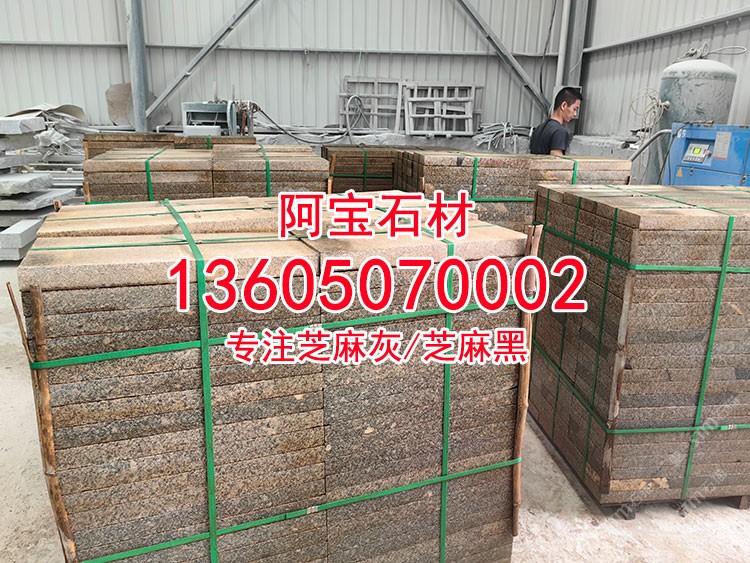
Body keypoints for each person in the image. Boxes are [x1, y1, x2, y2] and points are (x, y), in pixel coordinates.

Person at [529, 87, 583, 155]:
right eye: (574, 109)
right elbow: (556, 159)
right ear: (563, 105)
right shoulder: (560, 132)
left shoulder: (538, 129)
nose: (575, 114)